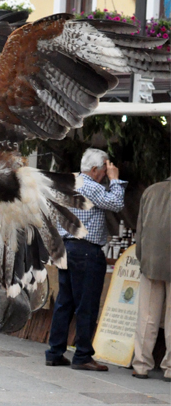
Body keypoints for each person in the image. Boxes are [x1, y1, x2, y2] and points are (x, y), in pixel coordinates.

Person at [45, 148, 127, 371]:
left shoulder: (69, 182)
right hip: (86, 250)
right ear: (94, 169)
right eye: (102, 171)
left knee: (65, 302)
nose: (104, 175)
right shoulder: (91, 186)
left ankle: (55, 351)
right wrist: (116, 180)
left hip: (66, 247)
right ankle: (82, 355)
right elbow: (116, 204)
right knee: (86, 304)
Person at [132, 177, 171, 381]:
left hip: (151, 261)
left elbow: (141, 230)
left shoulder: (150, 191)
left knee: (147, 315)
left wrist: (142, 257)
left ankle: (141, 365)